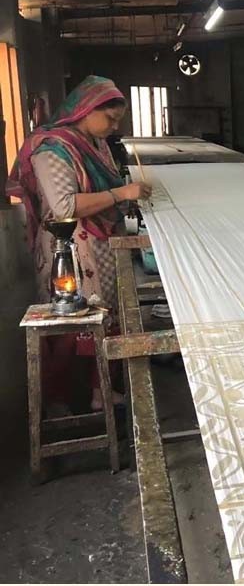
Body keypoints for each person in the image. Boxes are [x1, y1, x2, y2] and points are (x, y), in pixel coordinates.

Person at [7, 75, 151, 412]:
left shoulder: (94, 143)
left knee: (103, 315)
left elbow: (106, 189)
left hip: (100, 244)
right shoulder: (53, 147)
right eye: (109, 118)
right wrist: (121, 194)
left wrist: (125, 201)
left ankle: (101, 389)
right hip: (71, 249)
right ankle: (73, 394)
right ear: (85, 109)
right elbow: (65, 207)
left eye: (118, 120)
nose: (113, 126)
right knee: (78, 315)